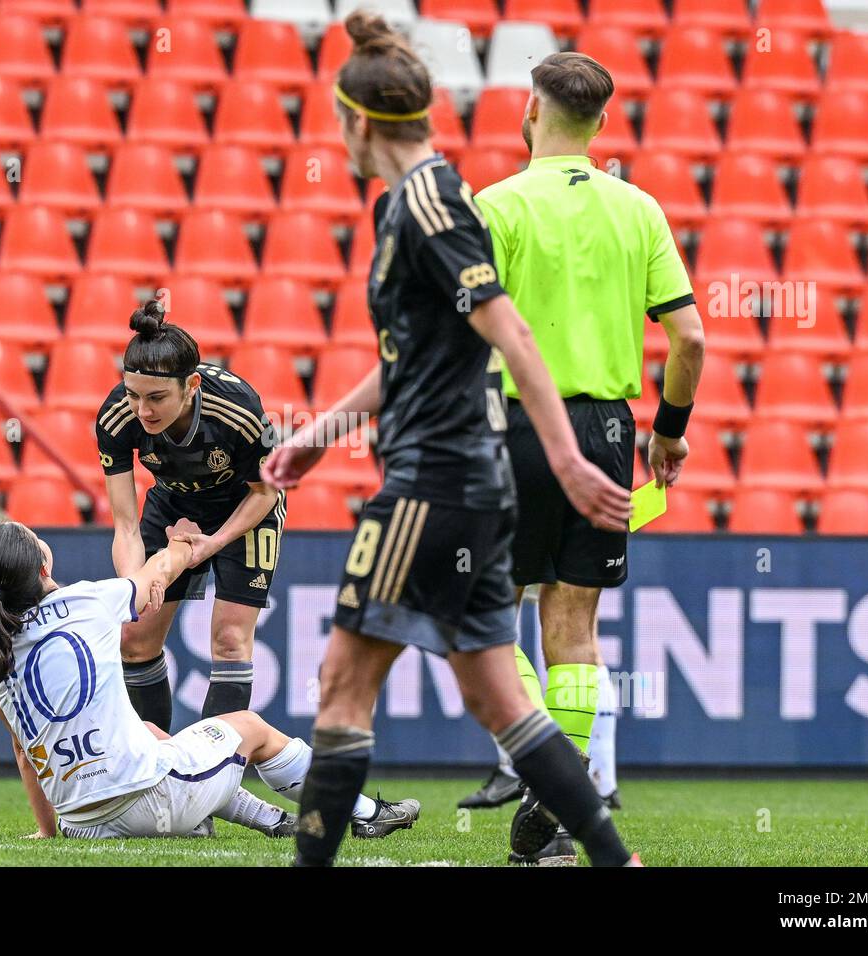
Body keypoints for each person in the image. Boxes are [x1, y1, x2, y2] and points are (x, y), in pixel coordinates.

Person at [262, 12, 639, 868]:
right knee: (500, 699)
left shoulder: (428, 204)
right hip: (467, 482)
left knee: (341, 686)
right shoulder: (420, 200)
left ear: (358, 122)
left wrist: (572, 460)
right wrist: (320, 436)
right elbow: (414, 357)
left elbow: (513, 334)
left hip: (429, 484)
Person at [469, 51, 706, 863]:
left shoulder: (493, 205)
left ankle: (541, 770)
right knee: (573, 625)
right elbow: (690, 338)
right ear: (602, 122)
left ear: (529, 113)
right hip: (604, 430)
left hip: (507, 423)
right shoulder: (638, 209)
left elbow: (457, 329)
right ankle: (561, 786)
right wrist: (668, 431)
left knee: (490, 618)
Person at [0, 520, 420, 841]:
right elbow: (157, 573)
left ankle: (277, 823)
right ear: (43, 565)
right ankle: (363, 814)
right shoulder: (88, 601)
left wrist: (49, 832)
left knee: (149, 734)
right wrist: (185, 543)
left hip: (82, 822)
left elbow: (25, 754)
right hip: (148, 802)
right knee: (251, 727)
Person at [97, 300, 286, 731]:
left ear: (192, 385)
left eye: (157, 398)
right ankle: (155, 770)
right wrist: (135, 586)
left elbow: (267, 490)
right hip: (173, 503)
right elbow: (125, 524)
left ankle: (211, 780)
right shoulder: (115, 419)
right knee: (134, 637)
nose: (142, 411)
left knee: (230, 640)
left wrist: (214, 543)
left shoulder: (239, 410)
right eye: (132, 394)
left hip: (245, 508)